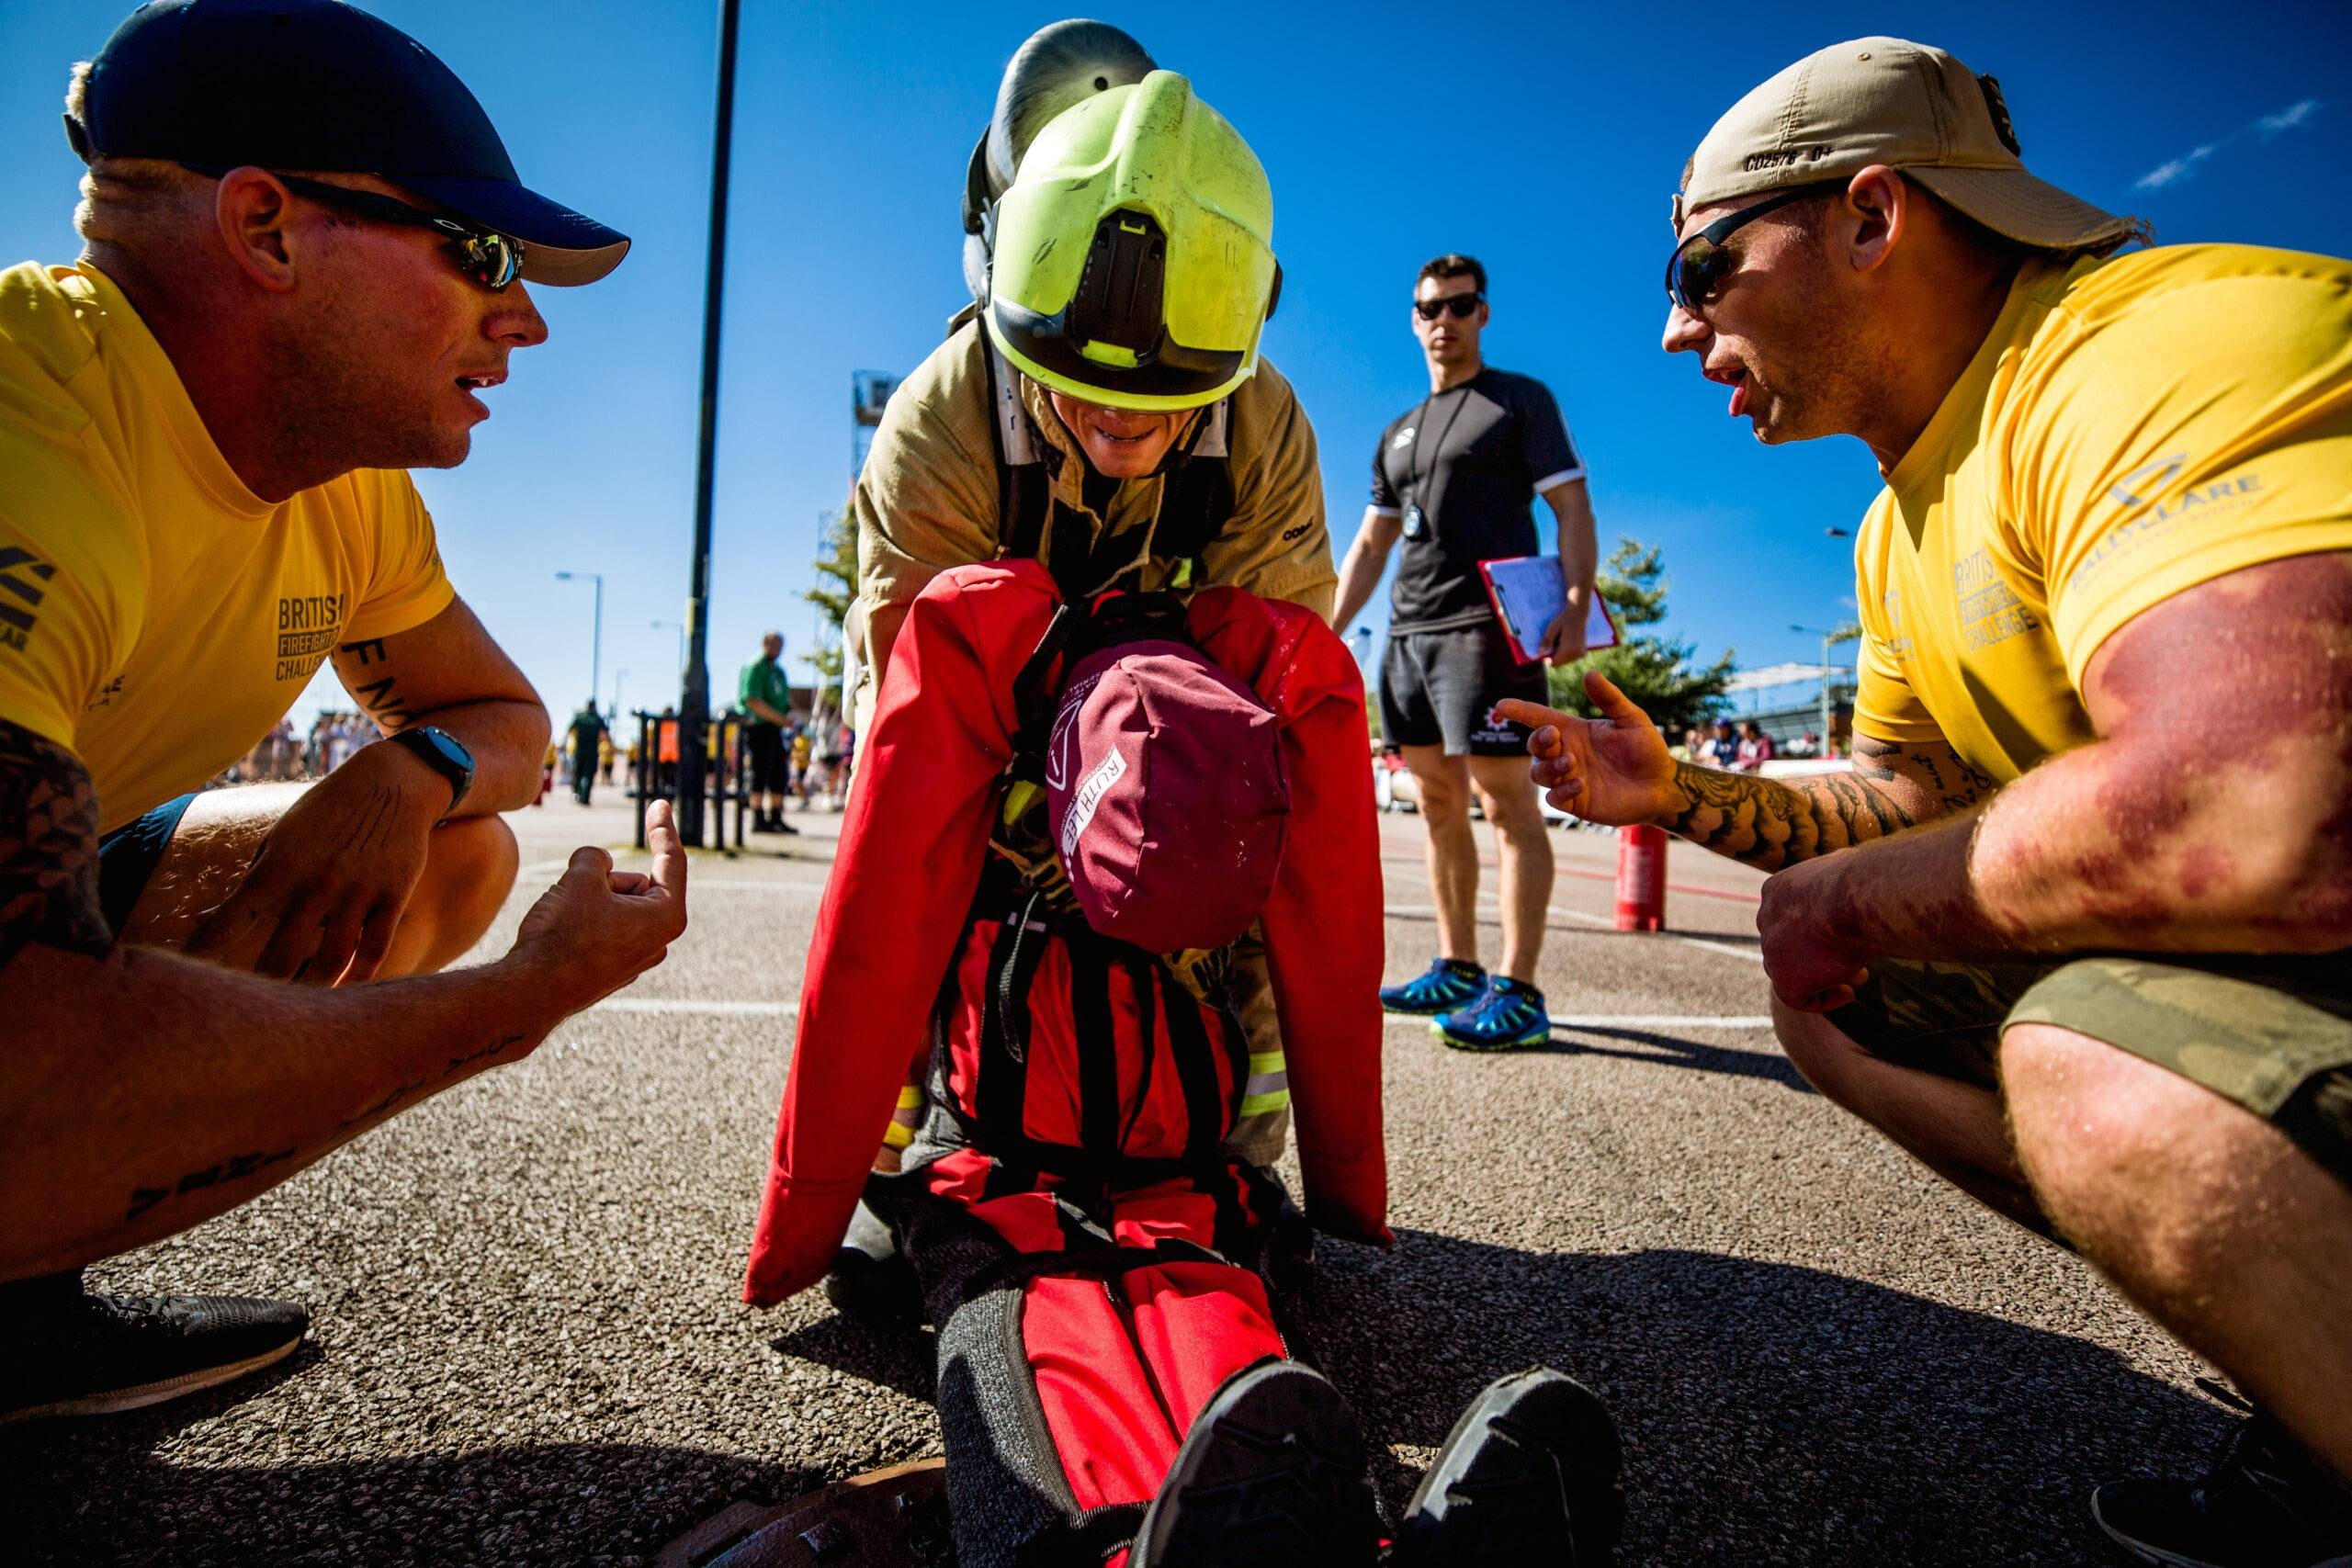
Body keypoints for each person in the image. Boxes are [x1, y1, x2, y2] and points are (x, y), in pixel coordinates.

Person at [1504, 37, 2352, 1565]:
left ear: (1873, 217)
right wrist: (1674, 789)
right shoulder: (1902, 524)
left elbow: (2249, 804)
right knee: (1848, 999)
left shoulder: (2155, 348)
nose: (1674, 330)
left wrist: (1845, 894)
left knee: (2088, 1049)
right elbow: (1906, 787)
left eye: (1702, 269)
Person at [0, 0, 689, 1427]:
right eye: (480, 252)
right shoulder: (38, 451)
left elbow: (501, 712)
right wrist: (515, 1002)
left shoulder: (346, 489)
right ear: (266, 229)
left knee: (454, 851)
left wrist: (409, 769)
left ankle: (18, 1301)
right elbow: (20, 1092)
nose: (528, 315)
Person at [744, 560, 1623, 1567]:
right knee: (1037, 1311)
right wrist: (863, 1199)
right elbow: (879, 956)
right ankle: (1113, 1549)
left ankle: (1345, 1545)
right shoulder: (995, 743)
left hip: (1171, 1186)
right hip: (994, 1173)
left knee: (1214, 1320)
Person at [846, 30, 1335, 1188]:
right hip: (986, 725)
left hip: (1165, 723)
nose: (1120, 426)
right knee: (918, 868)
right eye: (1084, 393)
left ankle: (1232, 1159)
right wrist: (1042, 816)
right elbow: (910, 723)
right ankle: (901, 1152)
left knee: (1245, 866)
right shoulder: (944, 421)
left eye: (1158, 404)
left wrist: (1149, 807)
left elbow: (1274, 701)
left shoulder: (1262, 427)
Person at [1333, 254, 1599, 1050]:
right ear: (1414, 320)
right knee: (1438, 801)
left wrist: (1579, 601)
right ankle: (1457, 963)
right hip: (1410, 633)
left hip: (1487, 631)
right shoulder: (1398, 432)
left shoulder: (1519, 402)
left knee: (1505, 802)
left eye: (1460, 304)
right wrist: (1328, 628)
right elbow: (1373, 544)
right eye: (1430, 308)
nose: (1443, 319)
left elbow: (1572, 504)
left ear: (1483, 313)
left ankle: (1518, 990)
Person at [737, 630, 798, 835]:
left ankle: (776, 815)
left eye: (780, 645)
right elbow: (753, 701)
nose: (777, 649)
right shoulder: (755, 667)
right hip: (759, 726)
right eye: (773, 644)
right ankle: (757, 817)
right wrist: (781, 719)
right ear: (765, 644)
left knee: (779, 772)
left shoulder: (778, 671)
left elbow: (783, 700)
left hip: (776, 728)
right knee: (759, 771)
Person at [565, 699, 605, 806]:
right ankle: (585, 797)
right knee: (588, 775)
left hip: (580, 751)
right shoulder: (597, 718)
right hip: (592, 752)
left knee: (578, 773)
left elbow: (569, 730)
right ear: (594, 707)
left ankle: (577, 794)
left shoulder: (580, 717)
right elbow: (605, 734)